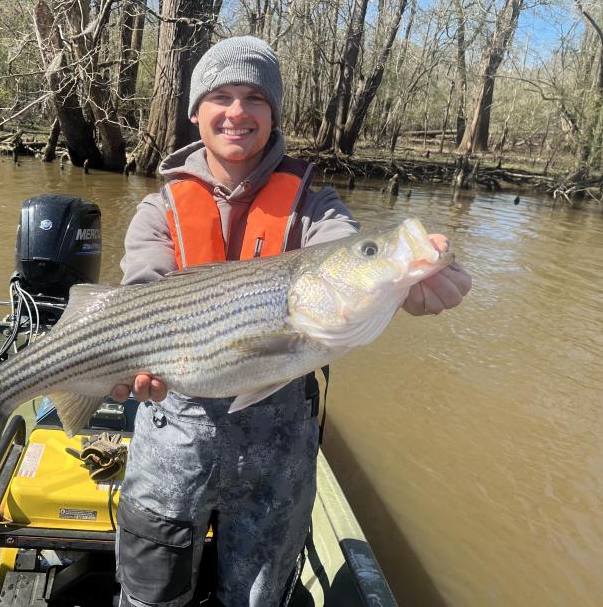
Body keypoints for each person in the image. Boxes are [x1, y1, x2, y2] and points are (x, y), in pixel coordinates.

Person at [109, 36, 471, 607]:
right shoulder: (158, 210)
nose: (236, 112)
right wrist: (133, 370)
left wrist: (406, 280)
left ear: (273, 114)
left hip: (276, 460)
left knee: (258, 598)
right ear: (196, 112)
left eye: (254, 97)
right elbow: (143, 296)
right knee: (150, 593)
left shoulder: (316, 208)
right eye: (220, 96)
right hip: (171, 436)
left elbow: (344, 254)